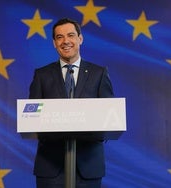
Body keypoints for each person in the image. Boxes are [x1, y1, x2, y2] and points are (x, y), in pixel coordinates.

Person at [28, 18, 114, 188]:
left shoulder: (99, 74)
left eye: (71, 35)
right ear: (54, 43)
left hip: (88, 167)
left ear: (80, 39)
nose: (65, 41)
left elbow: (109, 117)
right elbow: (32, 119)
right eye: (59, 37)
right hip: (51, 168)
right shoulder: (41, 75)